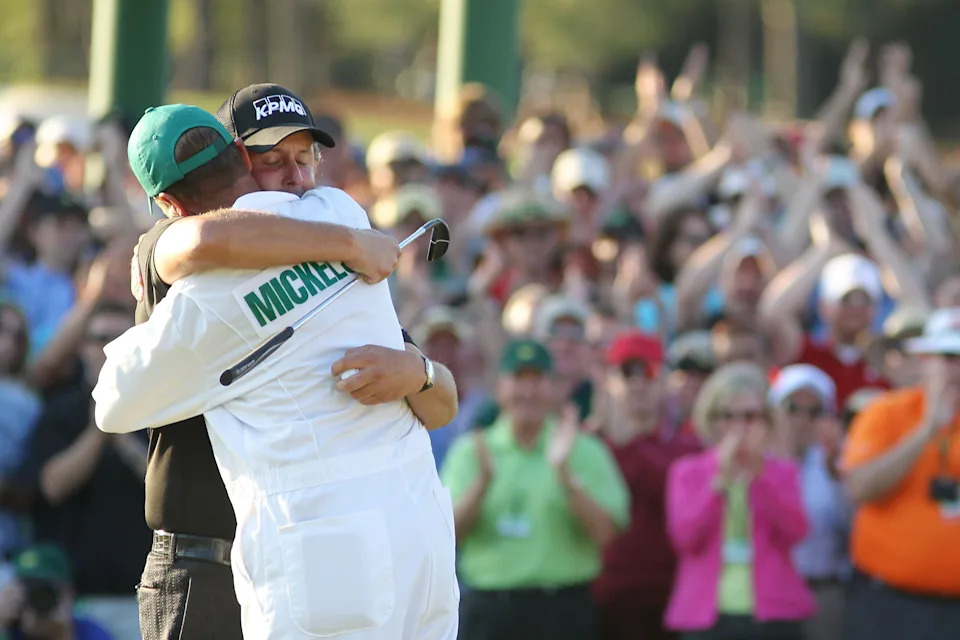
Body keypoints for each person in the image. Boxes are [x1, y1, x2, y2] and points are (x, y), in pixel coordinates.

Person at [93, 103, 459, 639]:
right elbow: (197, 241)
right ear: (239, 157)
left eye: (304, 156)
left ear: (168, 203)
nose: (294, 177)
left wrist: (422, 372)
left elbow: (111, 403)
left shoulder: (202, 301)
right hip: (404, 540)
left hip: (316, 557)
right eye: (273, 157)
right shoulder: (343, 215)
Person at [441, 339, 629, 640]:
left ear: (554, 387)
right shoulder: (471, 450)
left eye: (538, 380)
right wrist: (482, 483)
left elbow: (605, 535)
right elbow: (446, 538)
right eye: (518, 380)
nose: (528, 392)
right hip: (490, 612)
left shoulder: (585, 450)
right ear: (500, 386)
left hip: (562, 611)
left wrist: (566, 477)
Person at [19, 301, 148, 640]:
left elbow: (173, 494)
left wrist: (124, 440)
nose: (107, 350)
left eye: (119, 337)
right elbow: (51, 487)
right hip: (72, 609)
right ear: (82, 349)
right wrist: (99, 430)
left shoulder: (161, 413)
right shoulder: (60, 411)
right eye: (98, 338)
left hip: (146, 602)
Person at [664, 362, 815, 639]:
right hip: (706, 616)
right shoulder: (689, 472)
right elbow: (684, 538)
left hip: (773, 613)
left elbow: (796, 531)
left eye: (750, 417)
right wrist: (718, 482)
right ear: (713, 419)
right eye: (728, 416)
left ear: (765, 420)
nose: (739, 427)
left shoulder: (781, 471)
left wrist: (760, 477)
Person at [840, 308, 960, 640]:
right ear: (925, 360)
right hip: (890, 606)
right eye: (948, 356)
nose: (956, 369)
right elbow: (861, 487)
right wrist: (925, 432)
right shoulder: (885, 414)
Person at [591, 332, 701, 640]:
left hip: (670, 597)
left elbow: (673, 498)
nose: (638, 384)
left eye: (648, 372)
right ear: (609, 383)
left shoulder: (688, 448)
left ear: (665, 380)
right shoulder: (587, 446)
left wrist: (628, 446)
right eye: (627, 373)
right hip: (604, 598)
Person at [769, 365, 850, 640]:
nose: (802, 420)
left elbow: (853, 531)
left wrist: (839, 479)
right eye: (792, 408)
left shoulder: (838, 462)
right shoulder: (757, 462)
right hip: (768, 596)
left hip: (824, 593)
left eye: (814, 411)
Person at [0, 543, 113, 640]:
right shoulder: (11, 630)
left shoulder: (89, 632)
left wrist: (63, 633)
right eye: (28, 590)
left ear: (68, 594)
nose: (37, 598)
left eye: (45, 591)